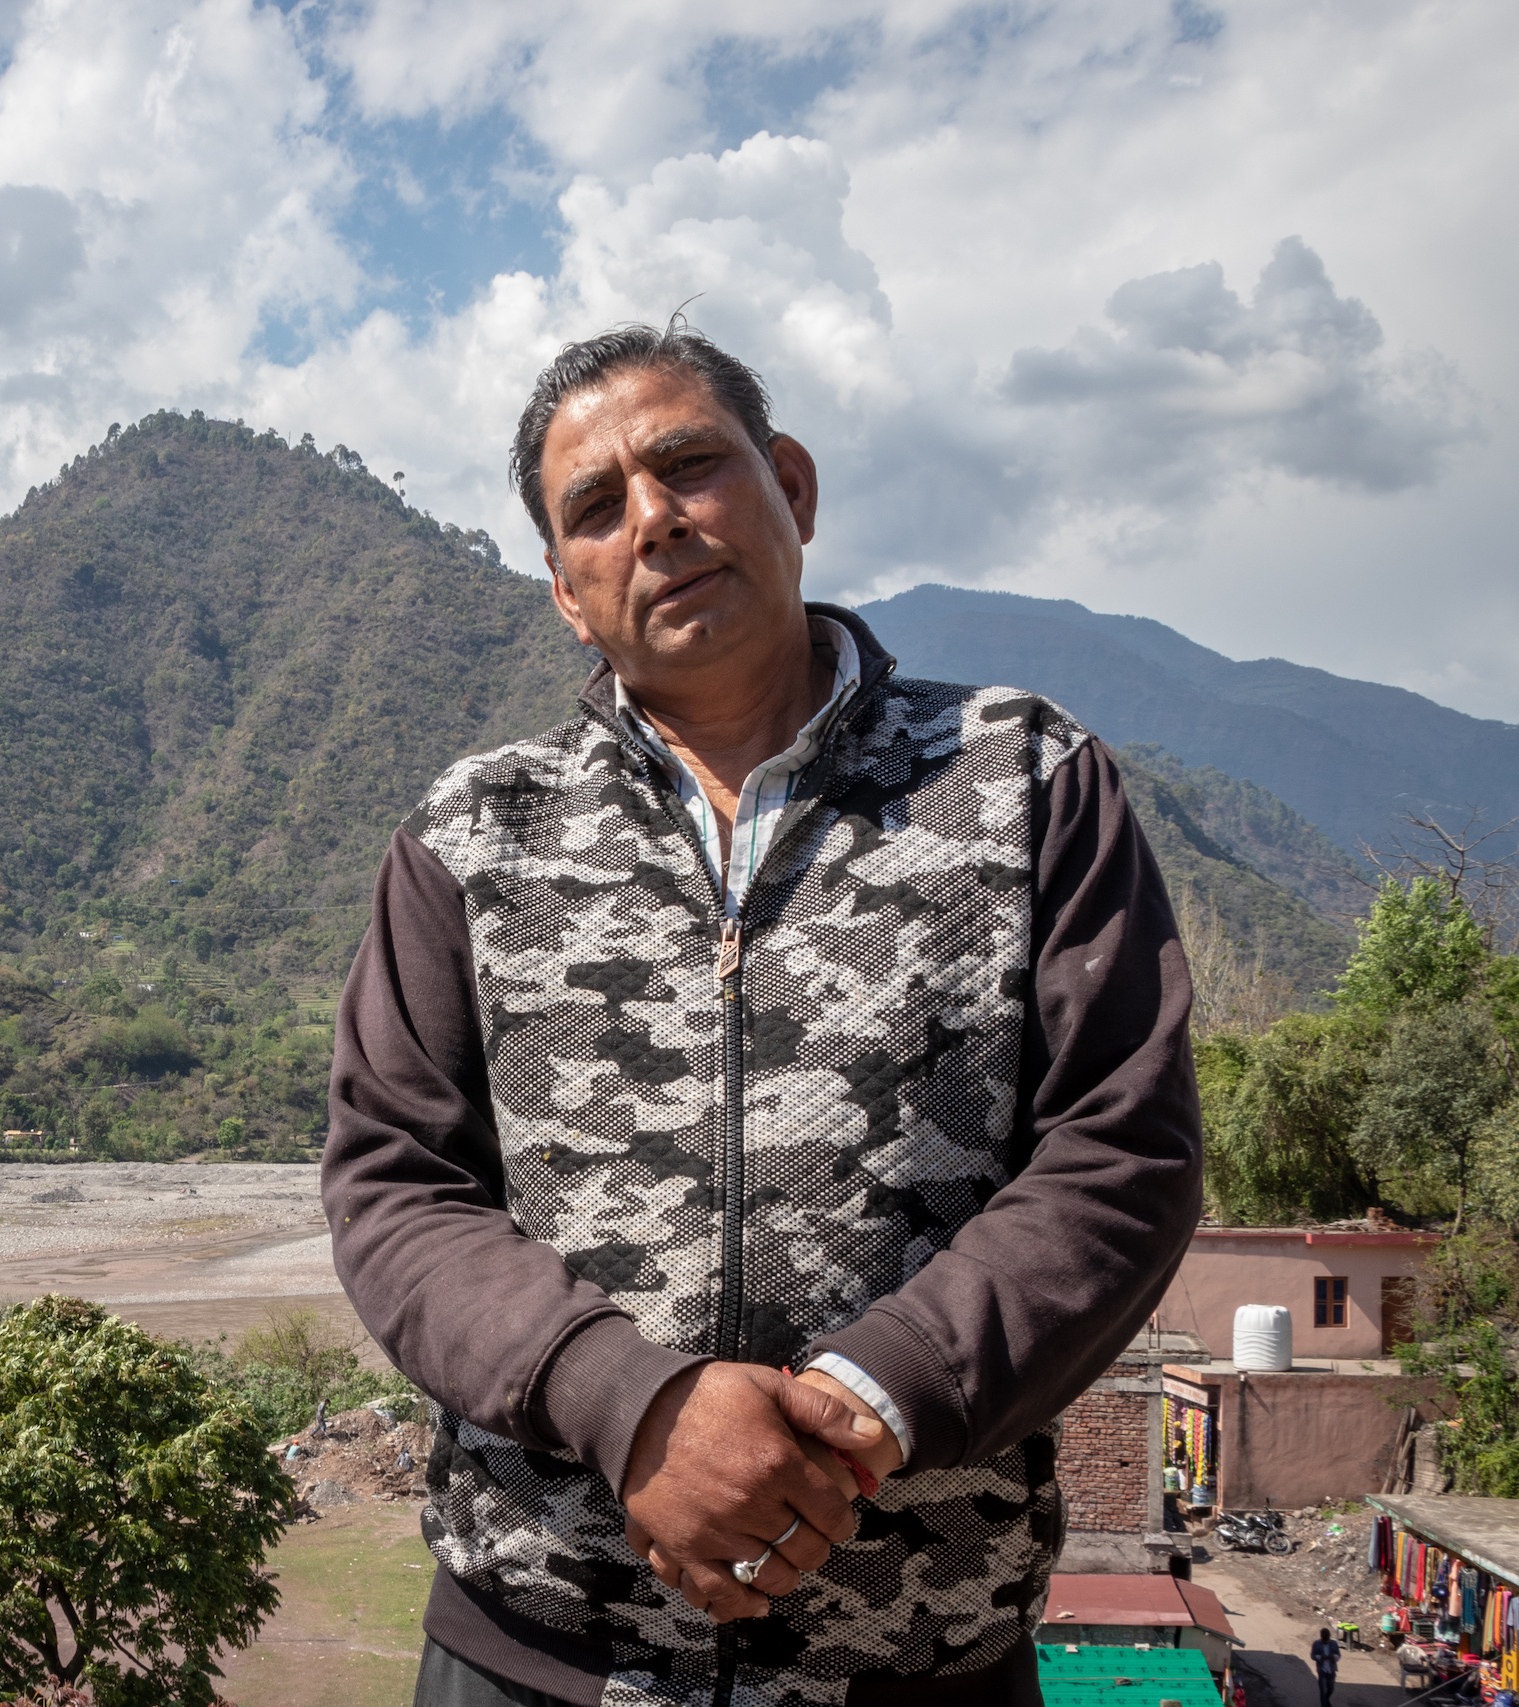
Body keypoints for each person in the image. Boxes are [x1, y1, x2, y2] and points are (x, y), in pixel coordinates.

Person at [324, 322, 1205, 1706]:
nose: (656, 521)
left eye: (689, 465)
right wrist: (636, 1403)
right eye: (598, 507)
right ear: (566, 587)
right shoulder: (474, 835)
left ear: (790, 486)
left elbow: (1118, 1150)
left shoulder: (1021, 780)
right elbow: (397, 1184)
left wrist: (880, 1390)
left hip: (917, 1655)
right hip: (540, 1652)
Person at [1311, 1627, 1341, 1704]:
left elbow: (1338, 1655)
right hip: (1322, 1671)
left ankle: (1326, 1699)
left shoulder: (1334, 1644)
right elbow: (1313, 1656)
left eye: (1327, 1639)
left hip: (1331, 1670)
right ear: (1321, 1637)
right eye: (1324, 1639)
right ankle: (1324, 1704)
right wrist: (1321, 1657)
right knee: (1323, 1690)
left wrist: (1333, 1657)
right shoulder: (1316, 1644)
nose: (1325, 1641)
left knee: (1331, 1689)